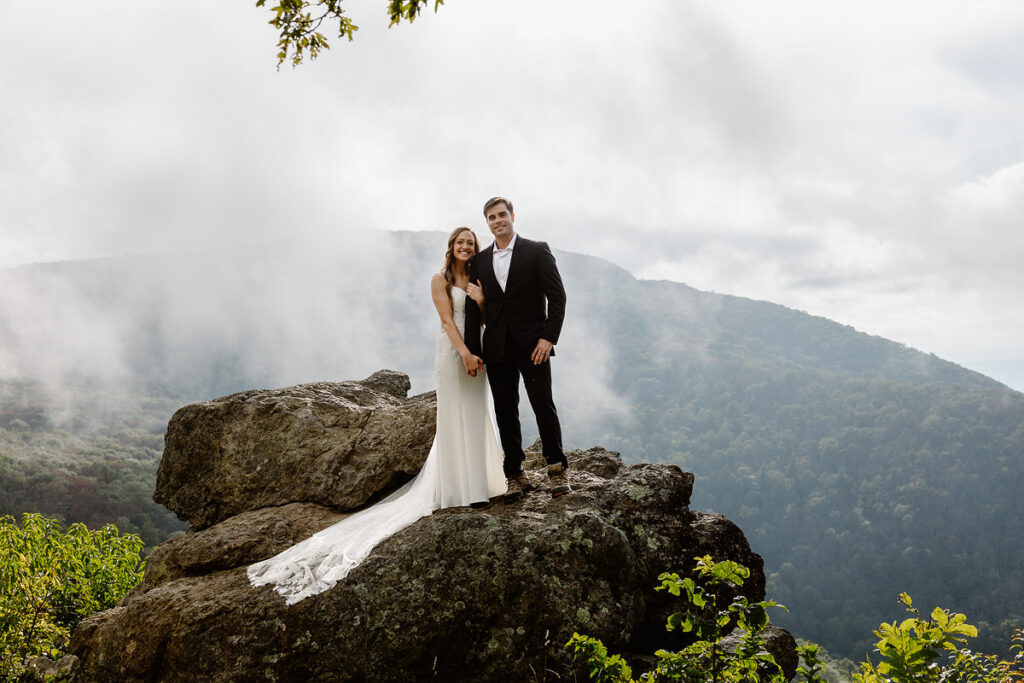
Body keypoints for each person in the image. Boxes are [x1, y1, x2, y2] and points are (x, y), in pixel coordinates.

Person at [247, 227, 507, 604]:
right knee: (454, 417)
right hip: (454, 354)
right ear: (451, 248)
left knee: (475, 411)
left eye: (470, 242)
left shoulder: (477, 279)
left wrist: (482, 301)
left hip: (477, 351)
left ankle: (479, 485)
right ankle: (456, 489)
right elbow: (448, 322)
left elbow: (484, 320)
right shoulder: (440, 280)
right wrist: (465, 354)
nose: (465, 246)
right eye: (460, 242)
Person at [464, 196, 569, 501]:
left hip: (533, 345)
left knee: (542, 405)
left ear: (512, 215)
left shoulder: (537, 250)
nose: (497, 221)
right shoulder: (480, 261)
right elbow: (473, 309)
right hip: (496, 348)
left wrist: (548, 338)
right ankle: (515, 475)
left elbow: (557, 297)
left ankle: (556, 469)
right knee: (505, 411)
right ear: (487, 222)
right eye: (491, 217)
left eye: (501, 215)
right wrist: (473, 350)